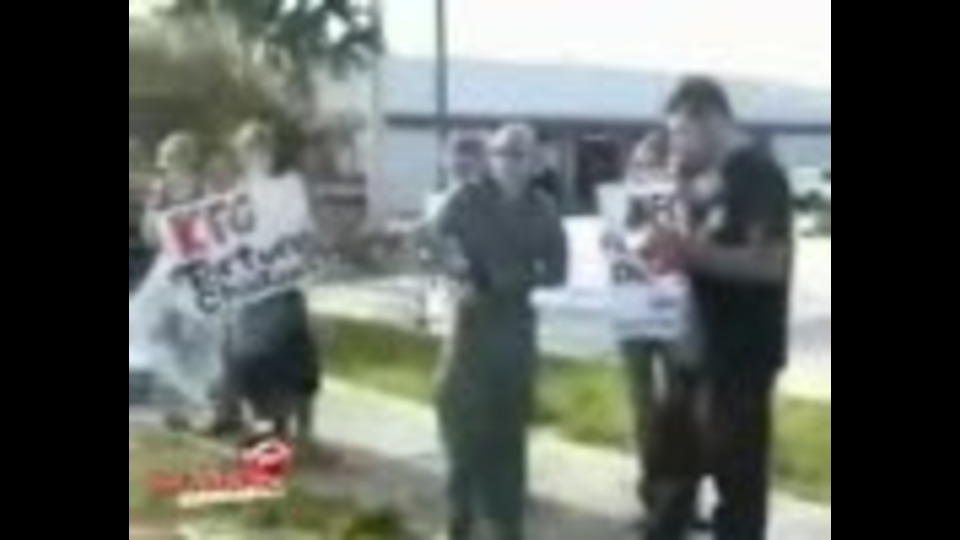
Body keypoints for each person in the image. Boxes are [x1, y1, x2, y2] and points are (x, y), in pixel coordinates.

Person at [644, 77, 794, 540]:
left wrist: (689, 252)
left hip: (737, 362)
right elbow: (694, 248)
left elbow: (769, 263)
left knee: (737, 491)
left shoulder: (758, 175)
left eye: (679, 131)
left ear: (706, 119)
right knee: (669, 480)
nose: (674, 143)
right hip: (692, 354)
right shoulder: (709, 178)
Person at [431, 124, 568, 540]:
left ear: (535, 162)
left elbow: (558, 270)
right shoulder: (466, 199)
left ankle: (507, 526)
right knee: (461, 430)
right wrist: (454, 266)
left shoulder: (543, 208)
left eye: (518, 154)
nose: (508, 162)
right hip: (469, 329)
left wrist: (510, 277)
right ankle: (459, 521)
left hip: (515, 331)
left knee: (509, 438)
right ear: (490, 158)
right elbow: (433, 241)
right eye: (501, 153)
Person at [224, 121, 321, 442]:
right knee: (256, 365)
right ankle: (270, 432)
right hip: (253, 290)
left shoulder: (289, 186)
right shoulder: (235, 195)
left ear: (271, 152)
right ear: (241, 155)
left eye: (263, 150)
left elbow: (302, 230)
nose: (258, 157)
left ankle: (303, 432)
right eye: (250, 151)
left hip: (284, 285)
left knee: (296, 360)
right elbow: (228, 243)